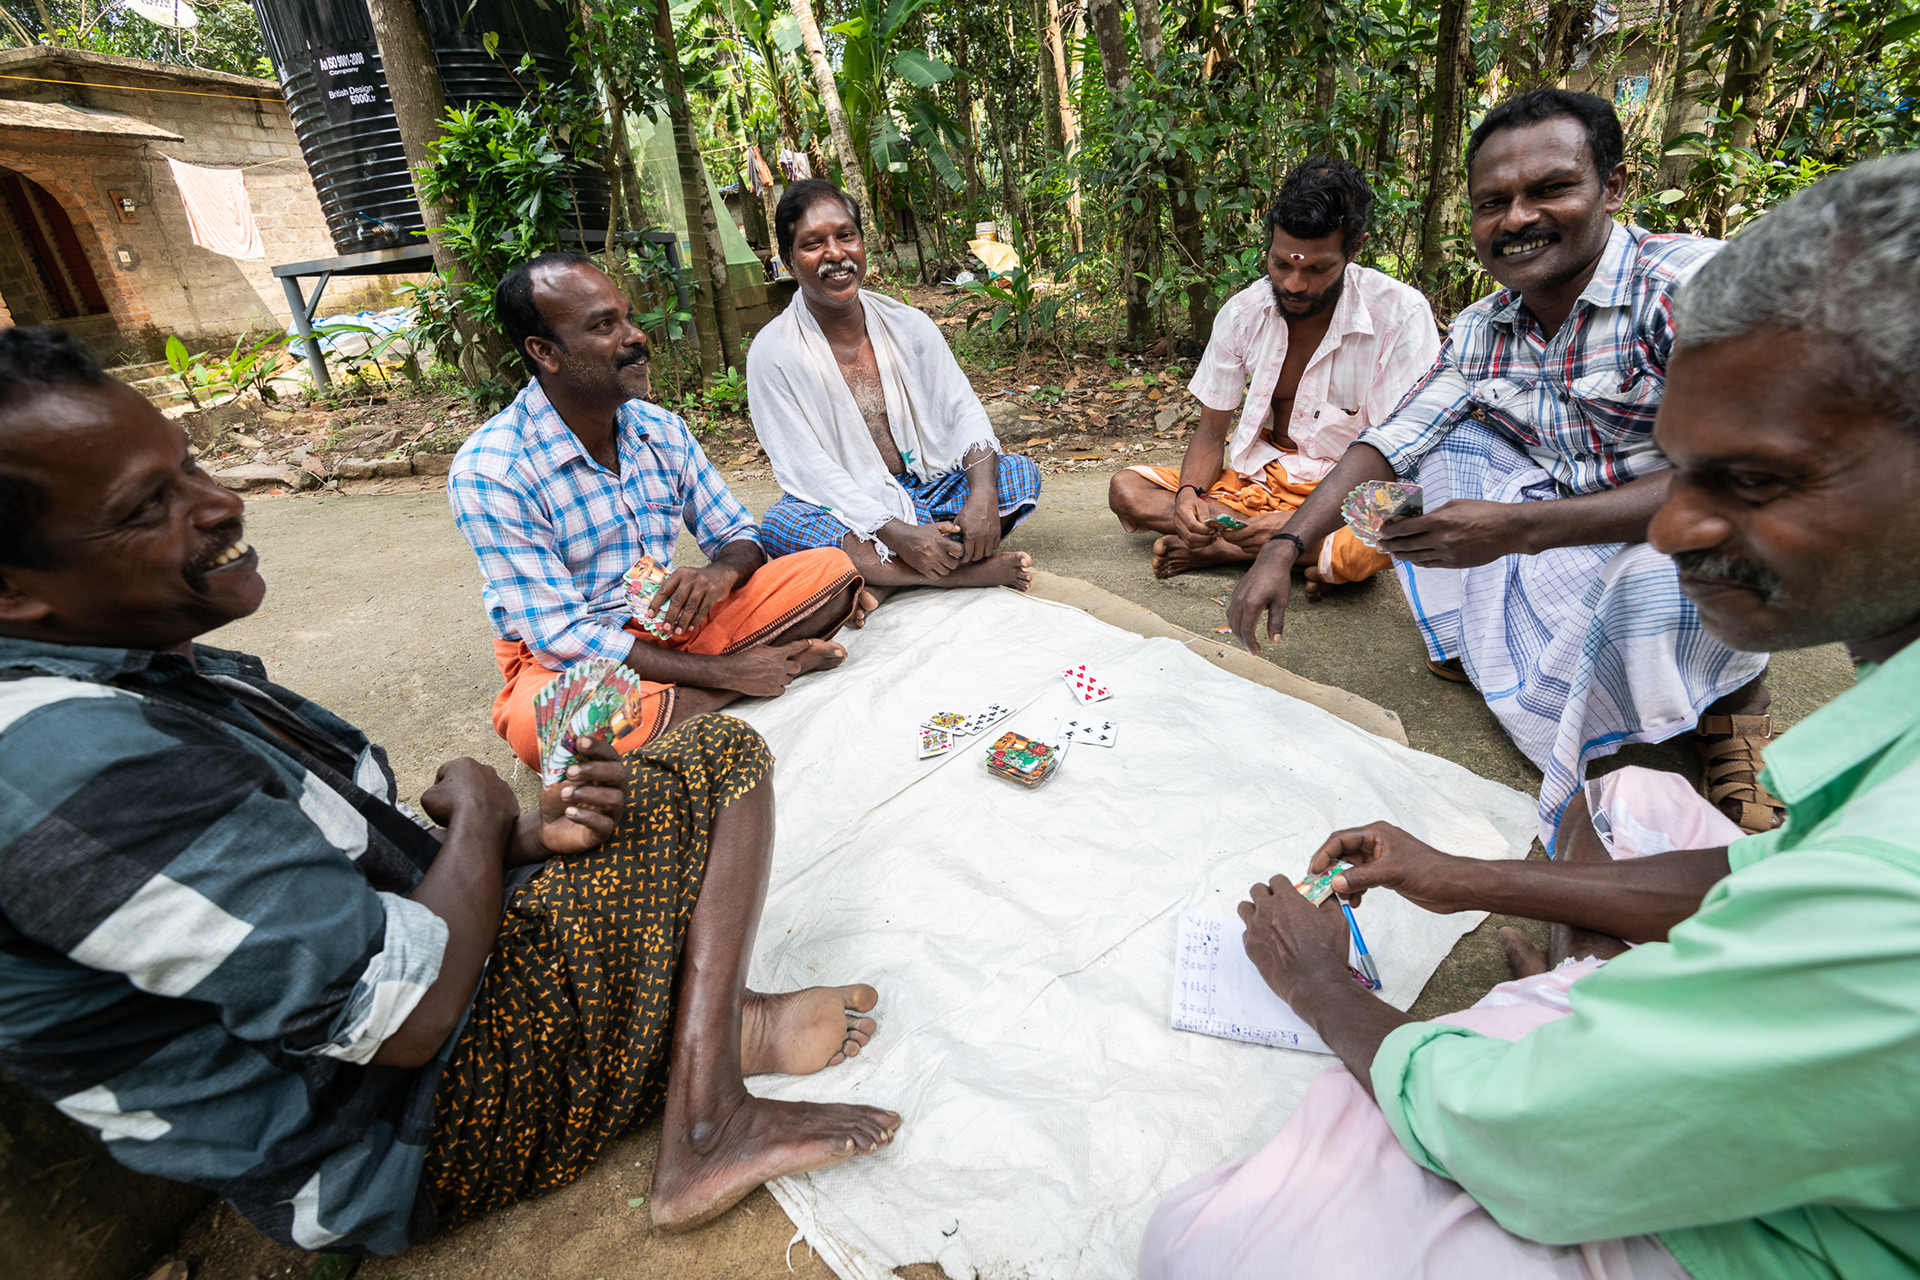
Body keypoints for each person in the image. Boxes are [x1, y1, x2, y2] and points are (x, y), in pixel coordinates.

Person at [1144, 153, 1920, 1280]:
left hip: (1717, 1220)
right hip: (1372, 502)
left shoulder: (1886, 902)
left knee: (1199, 1245)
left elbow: (1523, 1134)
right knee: (1630, 794)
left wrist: (1325, 987)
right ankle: (1584, 949)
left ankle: (1596, 931)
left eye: (1753, 479)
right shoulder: (1485, 329)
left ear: (1614, 185)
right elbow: (1759, 882)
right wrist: (1462, 874)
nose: (1674, 524)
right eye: (1688, 472)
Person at [0, 329, 899, 1251]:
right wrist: (483, 815)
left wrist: (532, 838)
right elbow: (407, 1016)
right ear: (544, 354)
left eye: (190, 468)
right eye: (148, 507)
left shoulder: (148, 670)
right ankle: (705, 1111)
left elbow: (359, 875)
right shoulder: (63, 760)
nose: (222, 503)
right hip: (401, 1134)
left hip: (415, 1018)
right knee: (717, 760)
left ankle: (684, 1034)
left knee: (779, 633)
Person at [1227, 90, 1775, 850]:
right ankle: (1505, 659)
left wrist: (1518, 529)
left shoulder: (1690, 287)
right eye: (1493, 202)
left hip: (1687, 536)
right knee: (1401, 484)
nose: (1517, 218)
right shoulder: (1486, 326)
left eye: (1549, 189)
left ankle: (1734, 715)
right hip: (1568, 525)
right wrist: (1285, 546)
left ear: (1612, 187)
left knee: (1661, 576)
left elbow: (1746, 480)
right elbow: (1391, 440)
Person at [449, 252, 869, 772]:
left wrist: (718, 576)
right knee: (553, 731)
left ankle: (688, 696)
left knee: (832, 569)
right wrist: (726, 674)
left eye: (628, 317)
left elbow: (738, 534)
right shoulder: (494, 470)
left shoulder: (660, 430)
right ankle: (740, 679)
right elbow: (561, 637)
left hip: (673, 623)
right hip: (570, 659)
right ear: (544, 351)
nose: (635, 336)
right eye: (605, 325)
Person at [1108, 157, 1439, 587]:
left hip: (1343, 496)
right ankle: (1283, 552)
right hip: (1257, 487)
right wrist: (1189, 497)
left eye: (1317, 268)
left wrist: (1299, 522)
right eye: (1282, 264)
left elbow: (1403, 459)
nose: (1295, 284)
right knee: (1127, 489)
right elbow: (1211, 433)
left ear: (1355, 249)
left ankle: (1235, 548)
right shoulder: (1244, 313)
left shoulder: (1401, 316)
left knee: (1401, 519)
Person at [747, 179, 1040, 606]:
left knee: (1015, 474)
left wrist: (980, 498)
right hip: (850, 510)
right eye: (813, 243)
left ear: (863, 245)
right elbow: (808, 469)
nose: (835, 254)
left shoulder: (909, 325)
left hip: (927, 489)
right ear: (790, 262)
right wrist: (896, 531)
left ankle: (886, 576)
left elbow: (964, 412)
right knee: (780, 523)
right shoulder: (772, 353)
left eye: (846, 236)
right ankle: (950, 575)